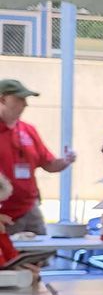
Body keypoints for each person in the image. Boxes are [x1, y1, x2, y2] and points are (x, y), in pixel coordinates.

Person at [0, 79, 77, 236]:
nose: (25, 104)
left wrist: (66, 161)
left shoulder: (28, 130)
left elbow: (48, 164)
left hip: (30, 209)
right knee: (8, 259)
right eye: (20, 99)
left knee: (40, 255)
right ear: (3, 99)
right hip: (4, 212)